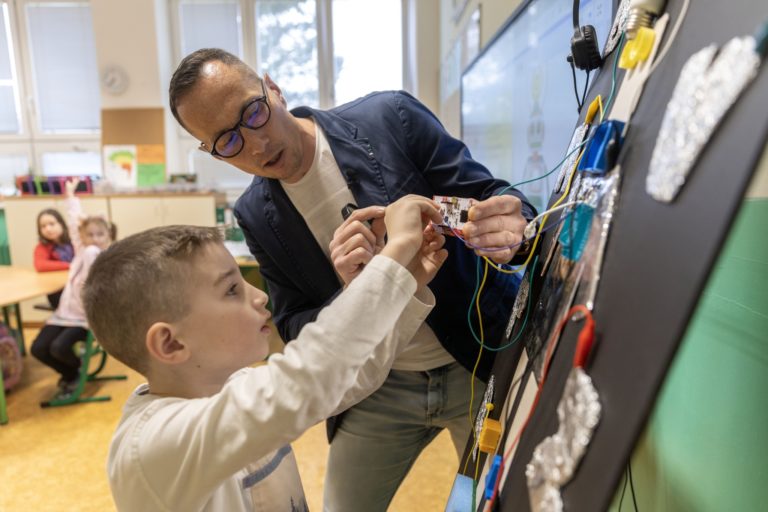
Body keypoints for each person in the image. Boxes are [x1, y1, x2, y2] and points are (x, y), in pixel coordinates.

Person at [169, 48, 537, 510]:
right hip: (378, 391)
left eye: (254, 113)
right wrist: (350, 294)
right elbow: (295, 326)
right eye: (227, 142)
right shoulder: (255, 216)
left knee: (513, 497)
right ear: (212, 154)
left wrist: (514, 226)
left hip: (477, 359)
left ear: (273, 89)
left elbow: (489, 196)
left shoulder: (390, 117)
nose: (256, 145)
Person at [81, 195, 447, 511]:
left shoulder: (232, 386)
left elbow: (352, 375)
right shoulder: (152, 445)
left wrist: (408, 285)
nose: (258, 297)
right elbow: (306, 379)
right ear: (171, 344)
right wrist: (394, 255)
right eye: (230, 291)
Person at [30, 179, 115, 398]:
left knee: (58, 348)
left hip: (84, 319)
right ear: (82, 237)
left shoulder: (103, 259)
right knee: (38, 349)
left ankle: (75, 371)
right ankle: (71, 373)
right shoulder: (81, 252)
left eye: (100, 235)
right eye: (90, 235)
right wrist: (70, 197)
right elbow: (74, 227)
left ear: (108, 238)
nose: (94, 240)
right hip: (63, 315)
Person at [34, 207, 74, 308]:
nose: (48, 229)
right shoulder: (42, 247)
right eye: (43, 226)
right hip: (58, 291)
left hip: (77, 286)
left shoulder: (74, 241)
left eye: (52, 224)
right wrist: (70, 265)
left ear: (61, 223)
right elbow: (40, 265)